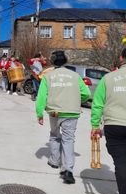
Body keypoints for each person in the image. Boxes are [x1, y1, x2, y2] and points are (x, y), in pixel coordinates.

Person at [36, 50, 90, 184]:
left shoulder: (48, 76)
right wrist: (76, 100)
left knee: (54, 135)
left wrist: (39, 112)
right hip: (71, 112)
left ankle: (54, 161)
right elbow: (86, 94)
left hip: (55, 112)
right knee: (69, 139)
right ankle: (68, 170)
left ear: (53, 61)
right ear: (65, 61)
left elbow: (41, 96)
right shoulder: (75, 76)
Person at [90, 47, 126, 194]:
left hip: (115, 124)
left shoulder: (108, 78)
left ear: (121, 58)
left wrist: (95, 124)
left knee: (121, 163)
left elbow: (97, 104)